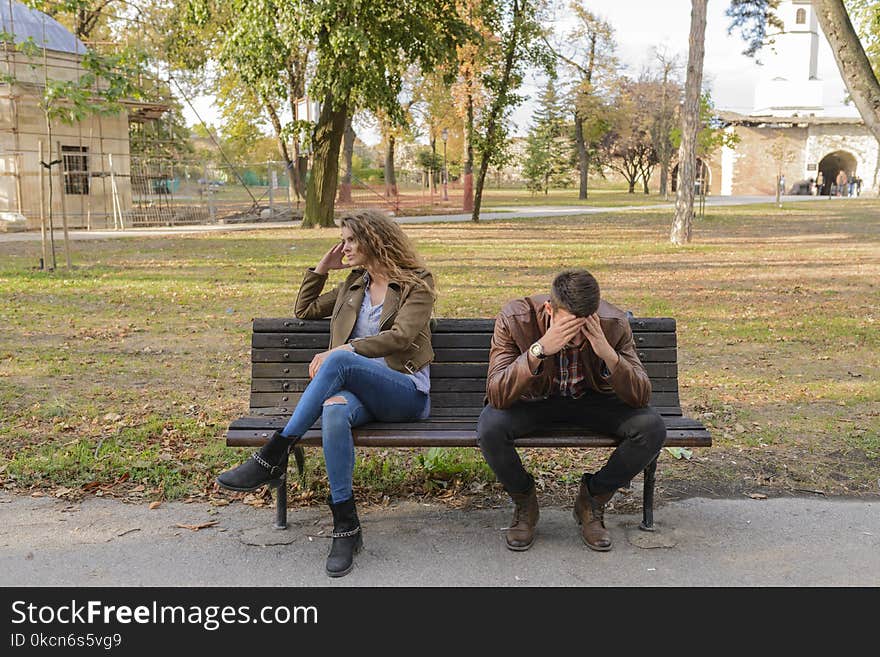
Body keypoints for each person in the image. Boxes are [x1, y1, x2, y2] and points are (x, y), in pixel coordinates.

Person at [217, 209, 436, 577]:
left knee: (339, 361)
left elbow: (401, 337)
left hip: (405, 392)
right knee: (334, 410)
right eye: (344, 240)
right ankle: (345, 526)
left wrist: (344, 350)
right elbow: (303, 310)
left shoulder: (417, 283)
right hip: (358, 394)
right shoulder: (354, 286)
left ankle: (275, 452)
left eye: (351, 240)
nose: (344, 247)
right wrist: (321, 268)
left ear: (374, 239)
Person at [477, 269, 665, 552]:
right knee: (490, 427)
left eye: (583, 328)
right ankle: (525, 501)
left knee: (651, 428)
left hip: (591, 401)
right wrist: (538, 351)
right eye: (567, 328)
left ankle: (592, 499)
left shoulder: (613, 323)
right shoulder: (516, 318)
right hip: (534, 402)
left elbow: (640, 396)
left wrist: (606, 352)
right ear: (550, 309)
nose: (575, 339)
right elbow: (497, 394)